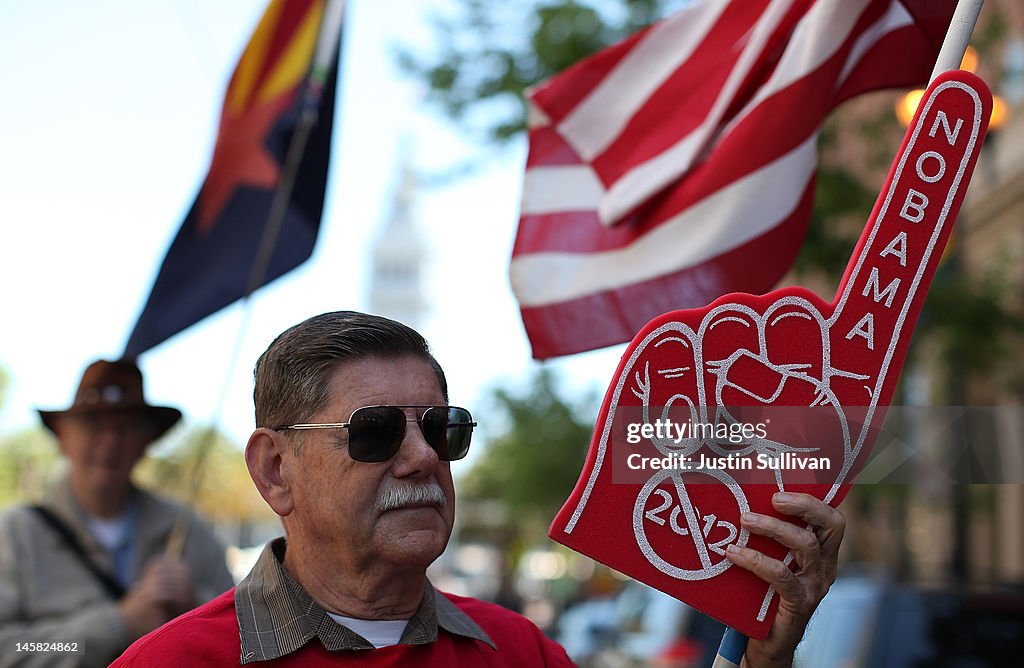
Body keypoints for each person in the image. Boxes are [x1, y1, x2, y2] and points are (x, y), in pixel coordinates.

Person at [111, 311, 845, 666]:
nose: (421, 458)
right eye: (374, 433)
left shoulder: (523, 654)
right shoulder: (169, 664)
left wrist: (763, 658)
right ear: (275, 470)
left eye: (443, 429)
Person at [0, 359, 235, 668]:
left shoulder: (189, 529)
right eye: (94, 424)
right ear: (62, 437)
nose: (110, 440)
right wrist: (117, 624)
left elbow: (243, 634)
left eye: (125, 427)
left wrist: (196, 606)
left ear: (146, 442)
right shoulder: (14, 535)